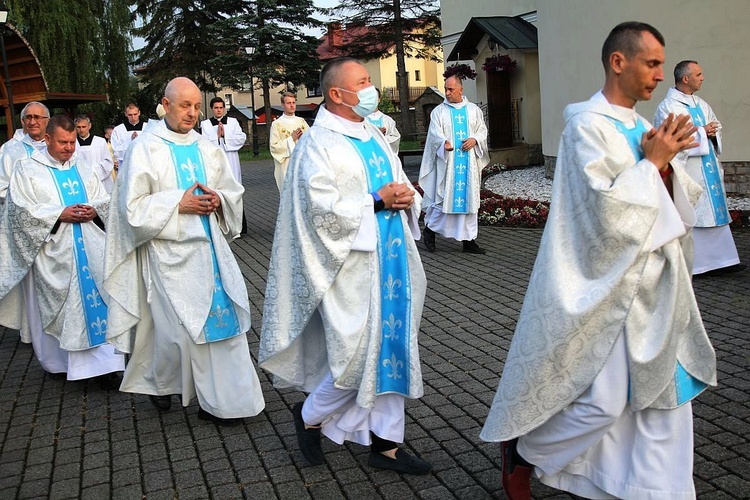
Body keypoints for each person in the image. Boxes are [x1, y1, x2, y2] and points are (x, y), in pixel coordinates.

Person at [480, 22, 717, 500]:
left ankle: (651, 491)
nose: (658, 75)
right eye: (651, 63)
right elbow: (601, 213)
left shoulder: (640, 126)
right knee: (604, 404)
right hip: (610, 289)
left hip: (657, 285)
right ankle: (525, 452)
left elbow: (674, 203)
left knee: (661, 403)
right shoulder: (587, 126)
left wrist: (668, 164)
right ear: (618, 62)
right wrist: (653, 165)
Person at [259, 57, 431, 475]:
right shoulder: (317, 144)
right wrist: (377, 201)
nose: (371, 88)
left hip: (393, 263)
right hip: (350, 270)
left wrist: (407, 196)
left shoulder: (372, 132)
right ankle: (309, 415)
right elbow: (317, 212)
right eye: (364, 82)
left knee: (393, 350)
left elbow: (397, 182)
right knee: (356, 358)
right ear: (337, 93)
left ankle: (386, 445)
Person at [103, 77, 265, 426]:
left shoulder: (207, 147)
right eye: (184, 105)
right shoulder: (146, 147)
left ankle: (227, 403)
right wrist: (179, 203)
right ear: (165, 104)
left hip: (210, 252)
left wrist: (218, 200)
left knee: (223, 325)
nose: (192, 113)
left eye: (196, 106)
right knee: (174, 331)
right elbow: (130, 209)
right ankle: (161, 383)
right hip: (166, 254)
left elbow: (230, 191)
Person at [0, 115, 124, 387]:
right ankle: (58, 364)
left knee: (97, 302)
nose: (69, 148)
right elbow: (19, 211)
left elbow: (103, 198)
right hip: (53, 251)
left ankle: (104, 367)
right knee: (63, 308)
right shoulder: (27, 169)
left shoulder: (82, 166)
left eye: (72, 142)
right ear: (47, 139)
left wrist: (95, 209)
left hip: (89, 247)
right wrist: (58, 214)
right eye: (63, 142)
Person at [654, 60, 745, 275]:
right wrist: (702, 132)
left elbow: (715, 125)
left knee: (714, 213)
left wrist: (712, 132)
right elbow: (669, 138)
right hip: (689, 170)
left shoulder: (701, 104)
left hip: (708, 168)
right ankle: (698, 265)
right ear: (686, 78)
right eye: (699, 74)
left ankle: (723, 260)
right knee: (695, 213)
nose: (702, 78)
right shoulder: (669, 107)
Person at [419, 75, 489, 254]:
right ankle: (430, 231)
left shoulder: (474, 110)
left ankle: (469, 240)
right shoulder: (439, 112)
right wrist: (443, 143)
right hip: (448, 165)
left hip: (468, 165)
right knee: (443, 200)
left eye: (451, 89)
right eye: (446, 89)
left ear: (461, 89)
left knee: (469, 201)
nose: (447, 93)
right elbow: (434, 134)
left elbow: (482, 131)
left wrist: (475, 139)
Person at [200, 97, 248, 233]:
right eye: (216, 108)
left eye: (221, 107)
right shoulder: (206, 124)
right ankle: (221, 226)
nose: (219, 110)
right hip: (215, 163)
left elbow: (241, 138)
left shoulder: (233, 122)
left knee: (235, 191)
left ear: (224, 108)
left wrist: (225, 136)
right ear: (212, 109)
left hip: (232, 162)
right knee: (218, 192)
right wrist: (217, 137)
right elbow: (204, 143)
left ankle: (239, 226)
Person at [0, 102, 50, 202]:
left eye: (37, 117)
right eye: (28, 117)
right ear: (23, 121)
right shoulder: (10, 150)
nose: (32, 122)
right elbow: (2, 186)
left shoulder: (59, 146)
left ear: (48, 120)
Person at [269, 92, 308, 191]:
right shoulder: (277, 124)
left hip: (302, 164)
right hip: (286, 165)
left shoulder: (301, 121)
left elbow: (311, 142)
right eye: (288, 103)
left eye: (293, 102)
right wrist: (291, 139)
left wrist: (304, 138)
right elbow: (274, 147)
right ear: (283, 104)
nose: (292, 105)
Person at [74, 115, 115, 193]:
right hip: (80, 180)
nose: (81, 130)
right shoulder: (72, 143)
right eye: (78, 127)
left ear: (89, 126)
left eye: (84, 127)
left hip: (100, 179)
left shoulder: (100, 141)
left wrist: (93, 171)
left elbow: (108, 162)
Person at [366, 89, 401, 154]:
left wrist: (381, 138)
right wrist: (375, 133)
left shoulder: (388, 120)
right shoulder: (360, 120)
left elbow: (395, 138)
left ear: (379, 99)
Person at [110, 102, 144, 167]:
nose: (133, 117)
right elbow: (116, 151)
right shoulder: (118, 130)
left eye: (135, 114)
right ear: (125, 114)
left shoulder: (147, 127)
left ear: (139, 113)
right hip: (126, 165)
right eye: (130, 115)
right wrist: (130, 141)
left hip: (143, 164)